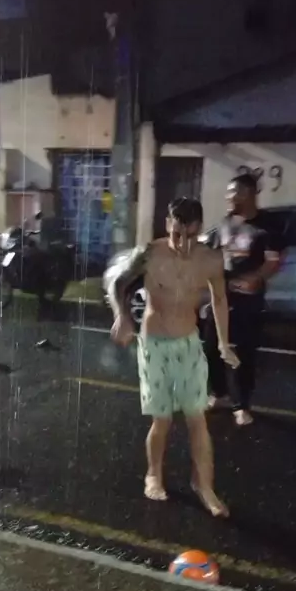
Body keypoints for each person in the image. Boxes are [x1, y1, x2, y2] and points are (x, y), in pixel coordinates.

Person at [105, 197, 239, 518]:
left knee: (197, 418)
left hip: (188, 344)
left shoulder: (210, 259)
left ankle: (204, 485)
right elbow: (118, 283)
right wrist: (122, 315)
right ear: (168, 225)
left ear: (199, 229)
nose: (183, 244)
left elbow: (220, 300)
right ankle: (153, 474)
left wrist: (224, 343)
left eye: (190, 236)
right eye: (177, 234)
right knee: (162, 419)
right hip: (155, 345)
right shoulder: (150, 254)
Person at [203, 173, 286, 426]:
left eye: (233, 192)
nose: (228, 197)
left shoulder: (267, 226)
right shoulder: (225, 223)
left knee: (243, 352)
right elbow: (211, 252)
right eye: (229, 192)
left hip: (248, 302)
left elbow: (273, 262)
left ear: (249, 194)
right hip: (220, 297)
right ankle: (218, 393)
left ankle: (241, 405)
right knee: (211, 347)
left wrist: (256, 278)